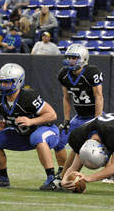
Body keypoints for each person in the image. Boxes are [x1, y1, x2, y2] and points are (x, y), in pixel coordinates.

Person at [0, 63, 59, 190]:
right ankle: (2, 178)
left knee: (37, 137)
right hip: (23, 135)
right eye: (2, 82)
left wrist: (31, 121)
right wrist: (6, 123)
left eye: (8, 82)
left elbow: (52, 115)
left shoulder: (28, 97)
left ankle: (51, 179)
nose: (4, 85)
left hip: (46, 131)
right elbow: (15, 116)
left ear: (19, 82)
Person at [40, 43, 104, 191]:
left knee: (96, 144)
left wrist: (98, 119)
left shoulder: (92, 72)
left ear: (83, 59)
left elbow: (99, 97)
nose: (70, 61)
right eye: (69, 57)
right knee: (59, 142)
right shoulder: (63, 74)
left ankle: (106, 170)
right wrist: (67, 120)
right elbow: (66, 98)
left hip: (92, 115)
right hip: (79, 116)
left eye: (74, 58)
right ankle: (62, 171)